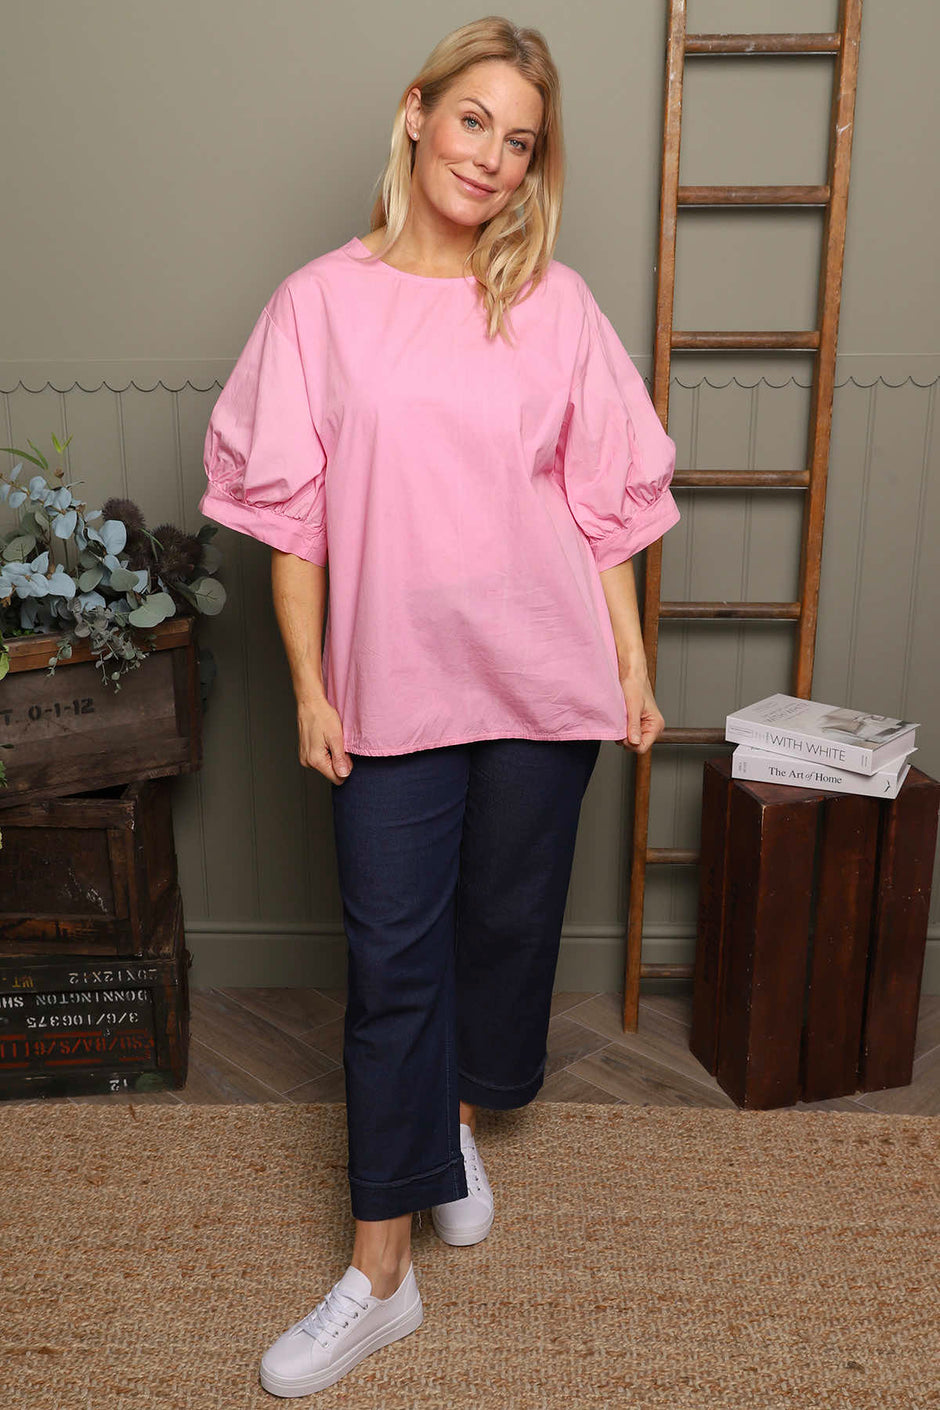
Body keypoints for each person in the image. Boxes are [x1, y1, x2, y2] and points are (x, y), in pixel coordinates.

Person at [199, 15, 680, 1399]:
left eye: (520, 141)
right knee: (392, 964)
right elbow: (294, 522)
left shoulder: (556, 305)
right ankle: (380, 1277)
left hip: (545, 683)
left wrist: (632, 666)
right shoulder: (319, 304)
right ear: (416, 113)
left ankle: (452, 1121)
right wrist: (310, 685)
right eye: (474, 121)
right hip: (392, 688)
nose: (492, 158)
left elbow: (602, 507)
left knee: (505, 930)